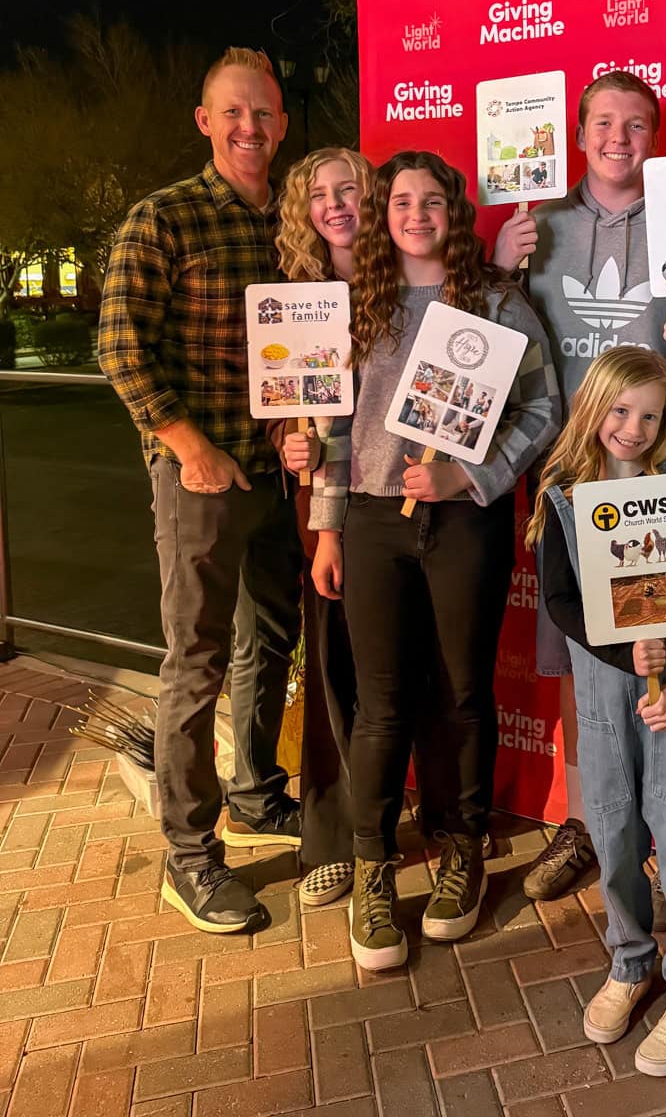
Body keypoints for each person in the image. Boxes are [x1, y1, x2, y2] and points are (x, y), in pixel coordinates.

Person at [308, 151, 560, 968]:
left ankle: (463, 849)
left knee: (461, 693)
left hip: (464, 524)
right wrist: (329, 527)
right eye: (401, 201)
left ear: (456, 211)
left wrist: (472, 474)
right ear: (383, 214)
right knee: (381, 703)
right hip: (376, 524)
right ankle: (376, 867)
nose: (417, 214)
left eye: (433, 201)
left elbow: (545, 407)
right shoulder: (357, 310)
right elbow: (332, 431)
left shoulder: (493, 303)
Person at [98, 47, 303, 934]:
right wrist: (188, 445)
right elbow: (118, 347)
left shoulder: (289, 224)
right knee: (198, 659)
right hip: (200, 478)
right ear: (205, 121)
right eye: (233, 113)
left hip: (276, 472)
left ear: (282, 124)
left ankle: (255, 794)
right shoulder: (165, 218)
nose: (249, 127)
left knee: (273, 642)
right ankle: (189, 855)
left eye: (263, 114)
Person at [494, 71, 666, 903]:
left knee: (659, 645)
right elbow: (496, 347)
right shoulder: (539, 228)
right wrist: (500, 269)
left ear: (654, 136)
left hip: (657, 470)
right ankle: (587, 820)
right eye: (604, 122)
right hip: (566, 473)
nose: (618, 137)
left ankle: (649, 827)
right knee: (575, 650)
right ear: (578, 132)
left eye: (636, 124)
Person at [527, 346, 666, 1077]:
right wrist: (621, 656)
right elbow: (560, 601)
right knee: (612, 832)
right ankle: (630, 960)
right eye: (620, 411)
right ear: (594, 408)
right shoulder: (562, 493)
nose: (633, 428)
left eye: (649, 415)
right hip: (605, 691)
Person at [276, 146, 373, 910]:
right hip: (325, 506)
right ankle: (331, 835)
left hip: (403, 502)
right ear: (303, 214)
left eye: (349, 189)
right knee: (331, 657)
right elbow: (288, 414)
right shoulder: (294, 300)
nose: (336, 204)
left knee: (407, 664)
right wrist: (290, 444)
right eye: (319, 195)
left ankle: (422, 820)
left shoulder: (404, 279)